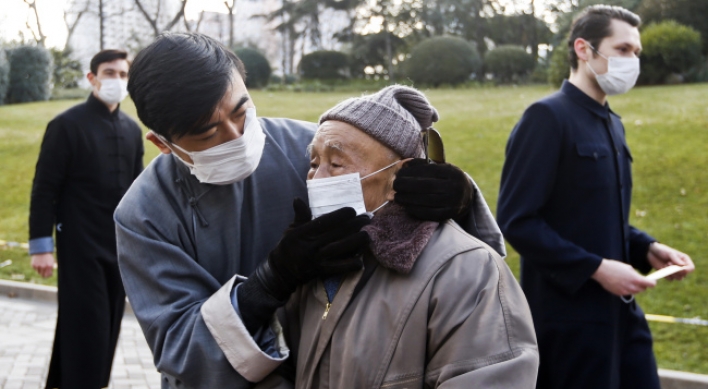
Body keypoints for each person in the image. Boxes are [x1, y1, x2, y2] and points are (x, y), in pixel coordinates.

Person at [114, 33, 495, 388]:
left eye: (241, 111)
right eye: (209, 133)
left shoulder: (313, 149)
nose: (236, 136)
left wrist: (456, 198)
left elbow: (411, 232)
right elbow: (181, 349)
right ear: (162, 143)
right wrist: (271, 282)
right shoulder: (143, 215)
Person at [248, 85, 538, 388]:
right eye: (313, 163)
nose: (316, 179)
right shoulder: (313, 264)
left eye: (336, 164)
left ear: (399, 176)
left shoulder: (468, 272)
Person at [496, 5, 695, 389]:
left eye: (636, 53)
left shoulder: (611, 122)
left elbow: (596, 213)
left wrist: (647, 247)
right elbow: (517, 220)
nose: (632, 61)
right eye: (622, 50)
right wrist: (596, 268)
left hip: (622, 315)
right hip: (570, 321)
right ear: (584, 49)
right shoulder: (546, 118)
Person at [29, 49, 144, 388]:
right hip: (79, 247)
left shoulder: (131, 130)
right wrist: (40, 247)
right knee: (88, 330)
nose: (117, 81)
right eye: (110, 73)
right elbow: (44, 189)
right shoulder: (65, 125)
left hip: (118, 248)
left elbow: (137, 195)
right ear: (92, 78)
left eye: (123, 75)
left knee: (106, 327)